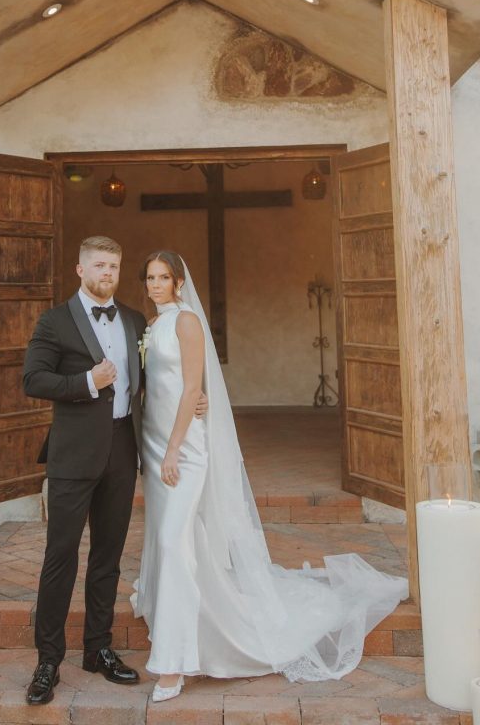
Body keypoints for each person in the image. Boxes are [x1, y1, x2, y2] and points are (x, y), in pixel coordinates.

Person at [132, 251, 408, 703]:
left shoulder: (184, 322)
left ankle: (173, 663)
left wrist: (177, 446)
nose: (156, 284)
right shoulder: (155, 324)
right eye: (150, 278)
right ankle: (179, 619)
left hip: (183, 450)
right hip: (154, 442)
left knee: (173, 542)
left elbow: (192, 389)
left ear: (180, 282)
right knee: (176, 544)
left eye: (164, 277)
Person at [21, 236, 207, 705]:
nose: (108, 273)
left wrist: (195, 398)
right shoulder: (54, 320)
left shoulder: (134, 320)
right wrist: (87, 381)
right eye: (100, 266)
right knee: (60, 557)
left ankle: (98, 649)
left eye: (115, 267)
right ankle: (48, 660)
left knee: (107, 557)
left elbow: (158, 383)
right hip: (72, 457)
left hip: (124, 453)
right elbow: (33, 378)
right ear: (80, 270)